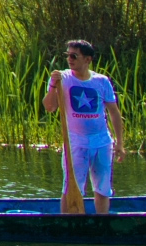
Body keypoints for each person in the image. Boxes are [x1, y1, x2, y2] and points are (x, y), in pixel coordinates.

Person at [42, 39, 125, 214]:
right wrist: (52, 86)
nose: (69, 59)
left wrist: (120, 143)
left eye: (74, 56)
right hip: (75, 143)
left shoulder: (101, 81)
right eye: (68, 55)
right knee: (71, 187)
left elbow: (114, 113)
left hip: (102, 142)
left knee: (103, 189)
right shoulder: (63, 78)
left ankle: (101, 224)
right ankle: (68, 225)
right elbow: (50, 107)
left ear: (87, 60)